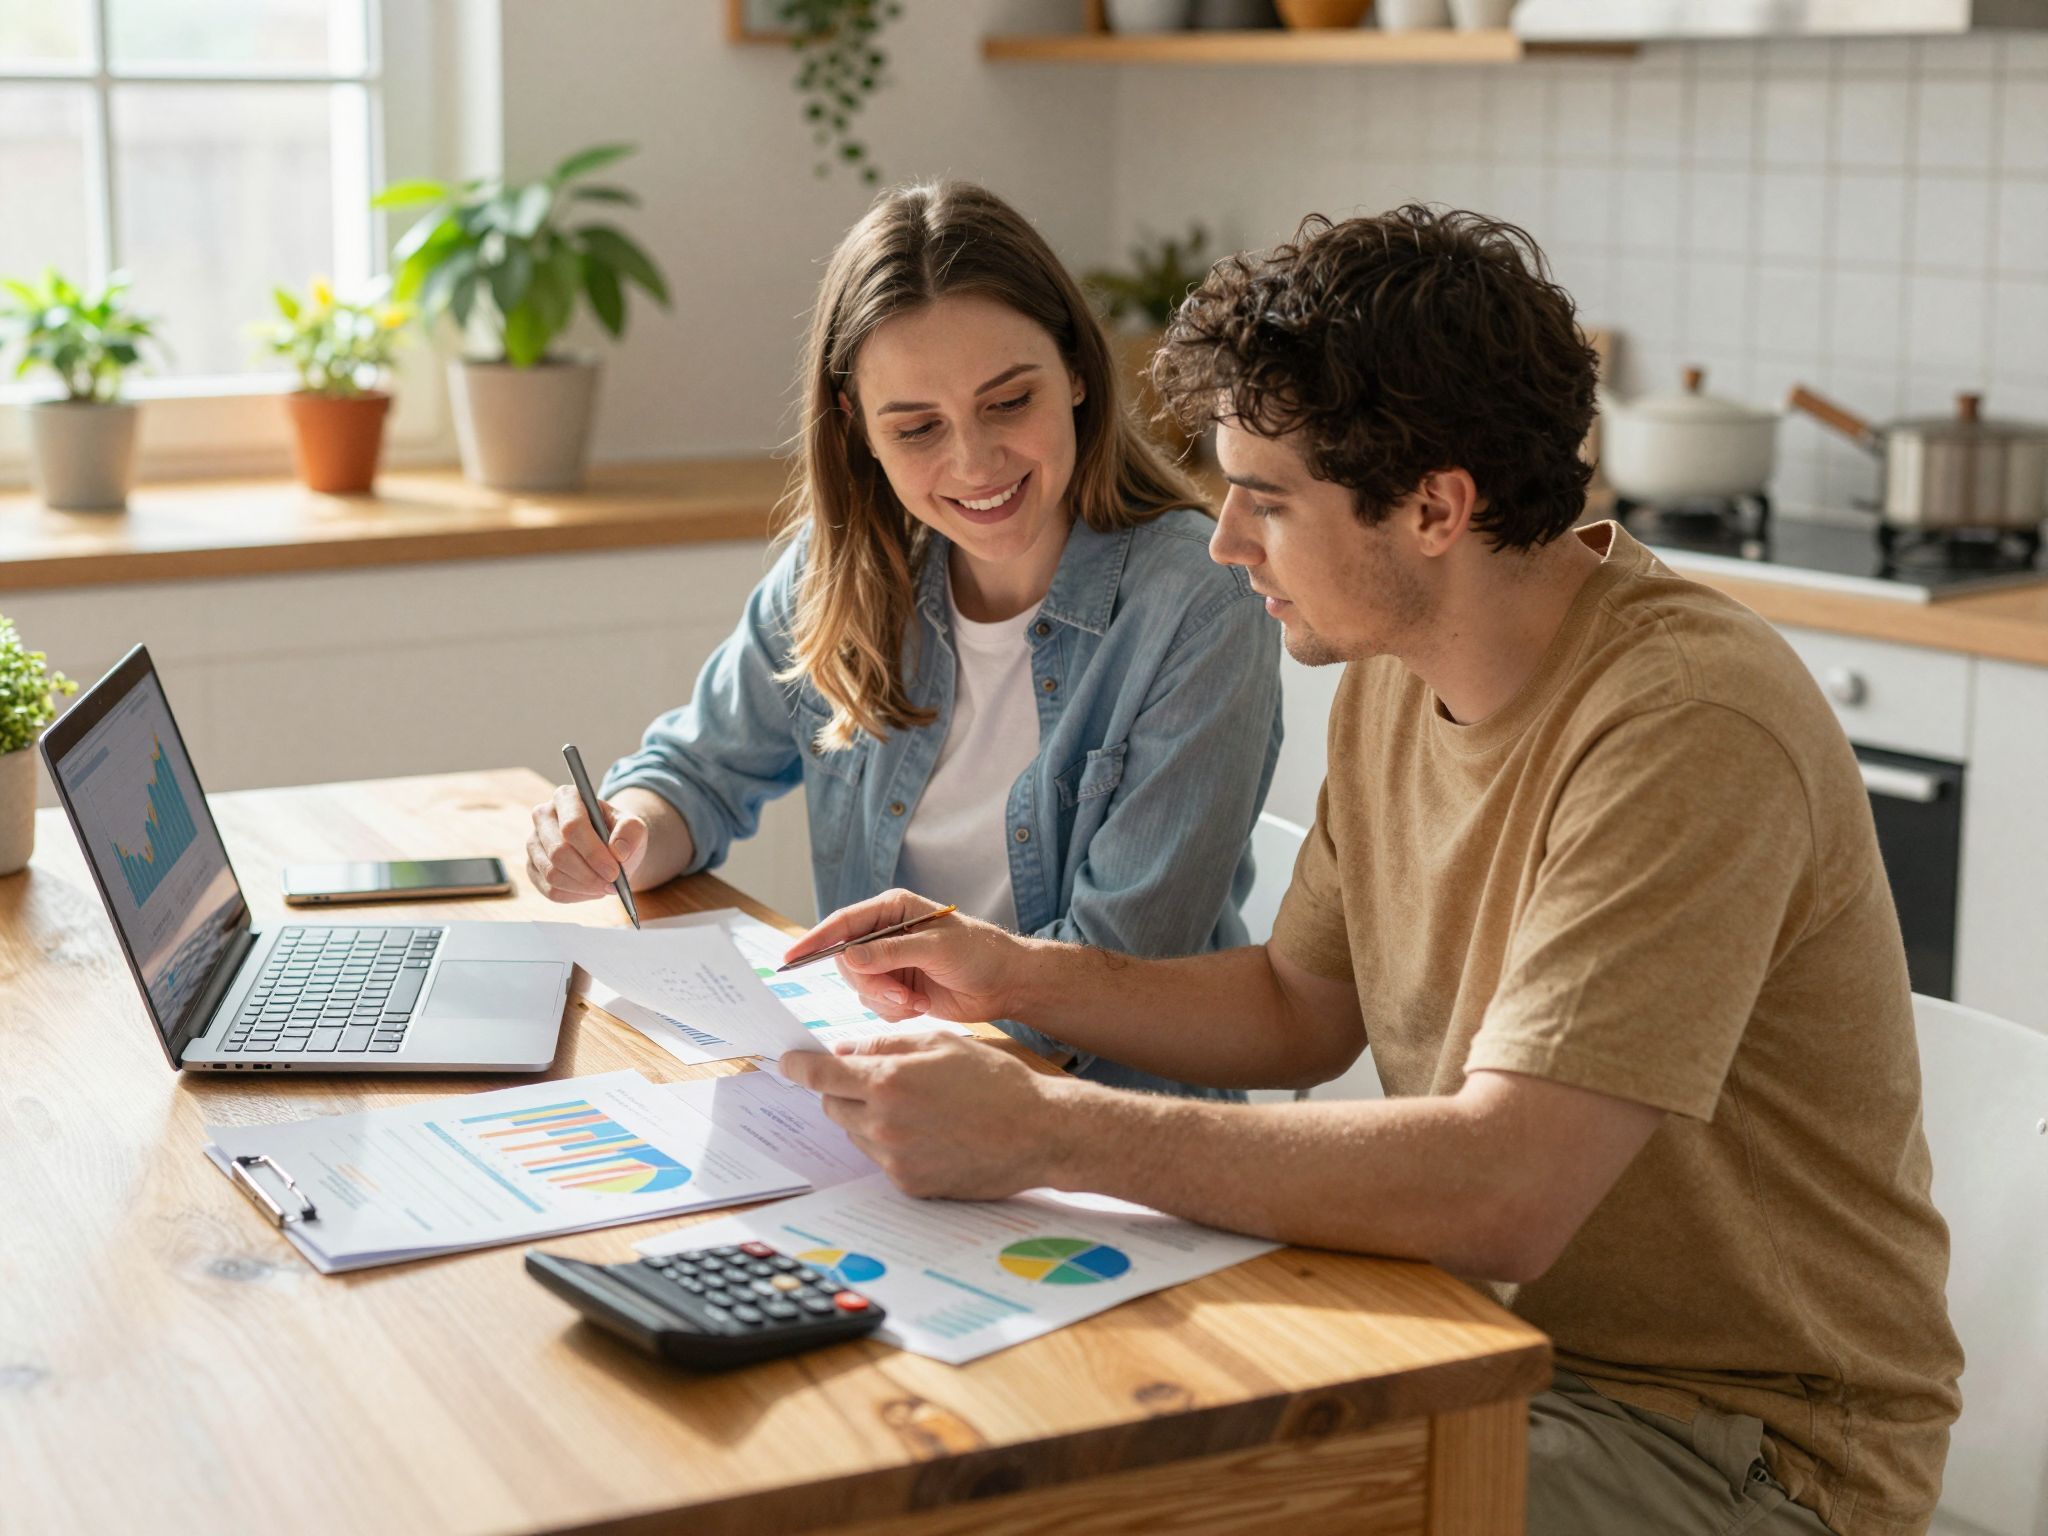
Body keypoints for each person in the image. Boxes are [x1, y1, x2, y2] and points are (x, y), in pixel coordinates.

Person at [778, 206, 1964, 1536]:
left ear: (1435, 508)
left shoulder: (1686, 723)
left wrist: (1048, 1130)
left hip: (1734, 1450)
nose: (1225, 542)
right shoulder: (1402, 669)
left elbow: (1503, 1190)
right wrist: (1010, 971)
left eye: (1267, 500)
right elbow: (1298, 1001)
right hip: (1469, 1345)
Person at [525, 179, 1283, 1101]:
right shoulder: (845, 567)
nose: (973, 463)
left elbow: (1112, 975)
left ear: (1078, 371)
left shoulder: (1199, 608)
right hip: (886, 1104)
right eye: (918, 428)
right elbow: (696, 772)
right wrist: (622, 833)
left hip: (1106, 1130)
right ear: (858, 433)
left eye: (1009, 403)